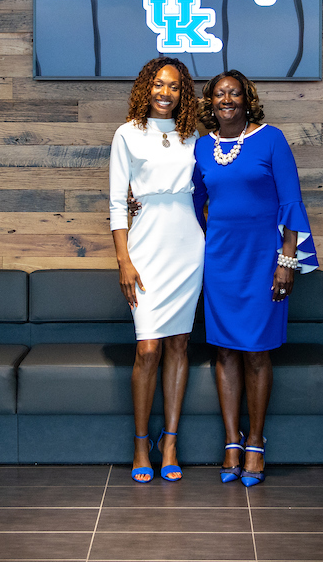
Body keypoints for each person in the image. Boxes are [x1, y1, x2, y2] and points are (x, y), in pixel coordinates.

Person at [192, 70, 318, 487]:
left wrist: (288, 260)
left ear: (248, 100)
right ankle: (232, 441)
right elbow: (191, 203)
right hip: (220, 262)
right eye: (218, 94)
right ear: (210, 103)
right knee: (225, 352)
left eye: (234, 93)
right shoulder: (202, 149)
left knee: (257, 353)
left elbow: (291, 203)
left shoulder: (271, 139)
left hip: (264, 261)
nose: (226, 99)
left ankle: (257, 442)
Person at [109, 56, 204, 483]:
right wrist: (124, 260)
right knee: (148, 348)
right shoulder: (126, 134)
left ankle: (170, 442)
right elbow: (116, 204)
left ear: (183, 94)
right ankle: (140, 442)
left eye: (175, 87)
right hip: (145, 248)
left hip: (188, 245)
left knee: (180, 345)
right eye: (159, 85)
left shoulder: (193, 136)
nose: (166, 93)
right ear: (146, 87)